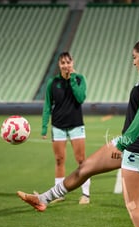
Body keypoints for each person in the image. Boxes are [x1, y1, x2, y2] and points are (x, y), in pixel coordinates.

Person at [18, 36, 139, 227]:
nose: (133, 62)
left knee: (134, 205)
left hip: (137, 147)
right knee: (85, 168)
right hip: (134, 144)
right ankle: (43, 200)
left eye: (135, 58)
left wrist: (132, 145)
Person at [41, 52, 91, 205]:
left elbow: (81, 98)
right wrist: (44, 127)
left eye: (68, 62)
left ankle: (86, 194)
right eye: (63, 63)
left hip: (76, 125)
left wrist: (72, 81)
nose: (66, 65)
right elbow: (48, 105)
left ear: (72, 63)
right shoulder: (52, 82)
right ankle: (58, 194)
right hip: (58, 126)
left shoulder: (79, 79)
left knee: (81, 160)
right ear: (59, 65)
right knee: (59, 160)